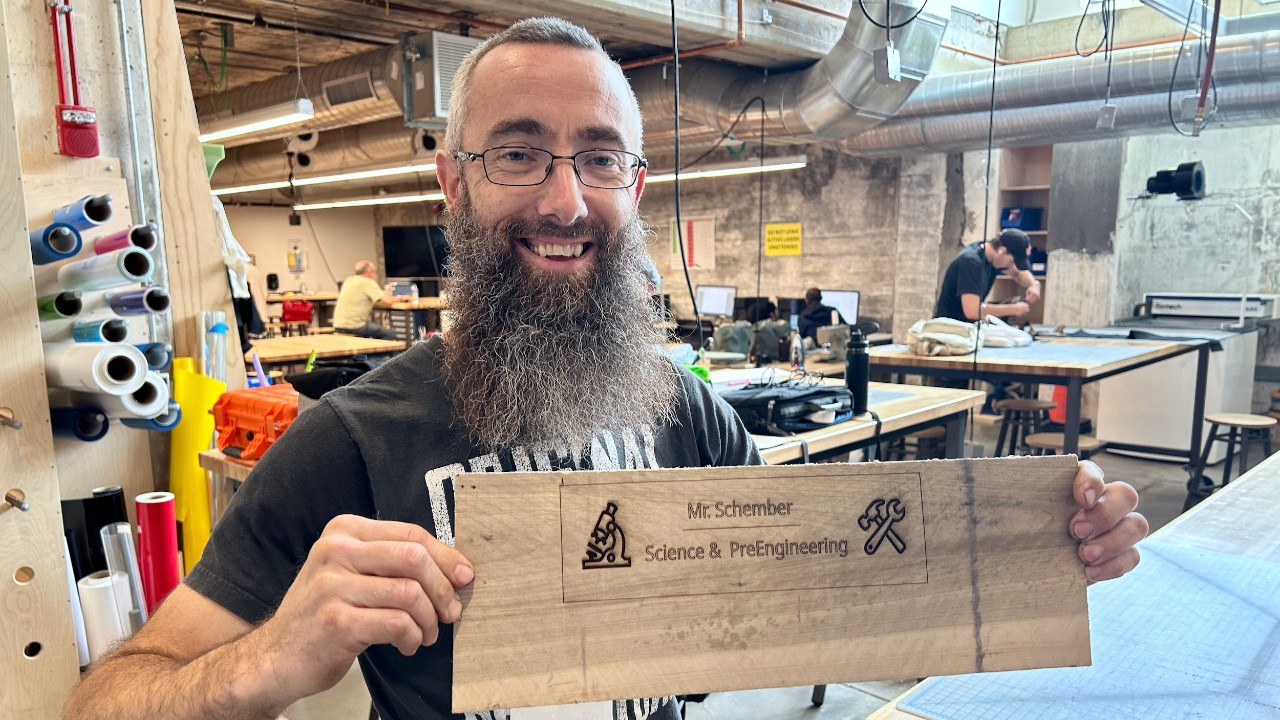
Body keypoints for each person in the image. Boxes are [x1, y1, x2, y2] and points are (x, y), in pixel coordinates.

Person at [66, 18, 1146, 720]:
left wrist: (1032, 544)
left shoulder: (682, 410)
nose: (563, 198)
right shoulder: (348, 443)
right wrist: (264, 664)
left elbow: (815, 582)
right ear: (453, 180)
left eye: (597, 159)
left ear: (634, 183)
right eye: (519, 152)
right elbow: (108, 698)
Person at [935, 228, 1042, 323]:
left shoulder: (991, 254)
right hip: (950, 328)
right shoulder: (971, 263)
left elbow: (1018, 274)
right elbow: (972, 310)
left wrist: (1034, 285)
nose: (1011, 266)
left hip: (968, 325)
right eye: (1011, 262)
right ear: (1002, 251)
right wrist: (1013, 309)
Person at [333, 259, 397, 340]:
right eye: (374, 272)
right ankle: (379, 352)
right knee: (388, 333)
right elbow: (387, 301)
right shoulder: (368, 282)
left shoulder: (349, 280)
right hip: (354, 326)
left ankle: (371, 351)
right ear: (369, 271)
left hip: (338, 324)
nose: (375, 274)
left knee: (370, 331)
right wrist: (403, 298)